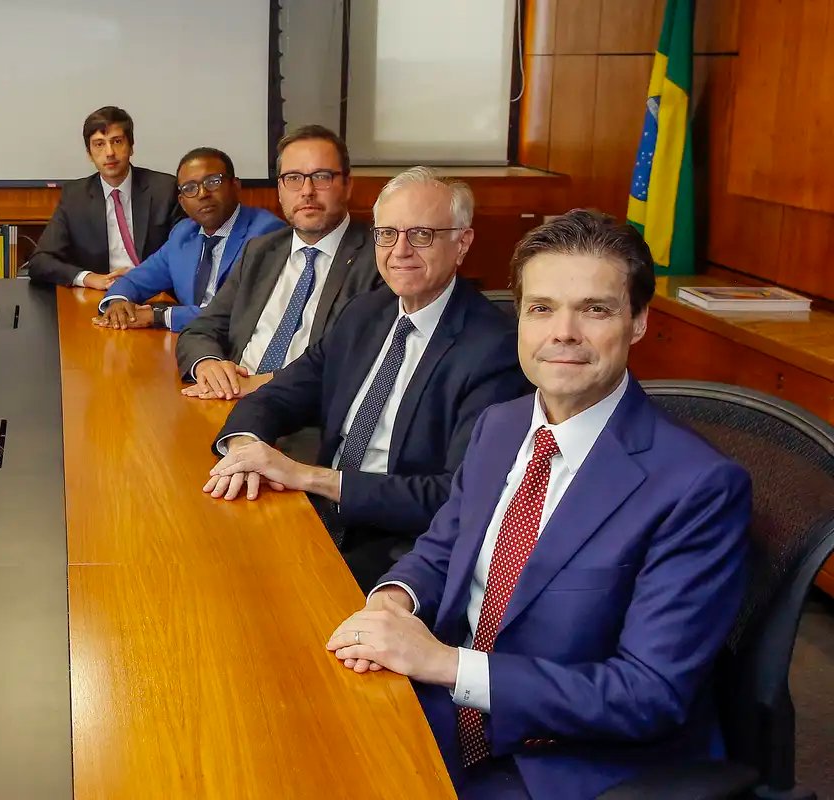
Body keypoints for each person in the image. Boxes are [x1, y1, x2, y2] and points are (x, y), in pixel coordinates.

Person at [325, 210, 750, 799]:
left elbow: (648, 693)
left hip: (566, 762)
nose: (564, 332)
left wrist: (447, 665)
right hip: (445, 711)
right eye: (542, 308)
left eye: (595, 309)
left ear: (638, 323)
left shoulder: (698, 488)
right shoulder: (500, 426)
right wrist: (395, 602)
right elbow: (444, 545)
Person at [204, 168, 532, 588]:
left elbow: (454, 495)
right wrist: (246, 450)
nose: (400, 251)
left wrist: (308, 477)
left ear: (462, 243)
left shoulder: (495, 349)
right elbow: (280, 394)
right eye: (386, 234)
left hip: (402, 550)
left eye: (422, 235)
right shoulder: (367, 312)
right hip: (316, 516)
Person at [176, 125, 379, 401]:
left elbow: (355, 365)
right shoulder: (261, 251)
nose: (307, 191)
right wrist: (209, 364)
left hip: (302, 419)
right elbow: (201, 328)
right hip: (227, 401)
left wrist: (263, 385)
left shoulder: (379, 259)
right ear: (280, 190)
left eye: (321, 177)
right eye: (293, 178)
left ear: (347, 185)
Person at [92, 147, 285, 331]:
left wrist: (160, 316)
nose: (202, 194)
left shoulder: (267, 233)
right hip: (193, 341)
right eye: (190, 188)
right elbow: (135, 280)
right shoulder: (183, 234)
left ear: (235, 186)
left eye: (213, 182)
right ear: (182, 202)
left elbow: (239, 313)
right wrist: (118, 302)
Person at [27, 106, 184, 289]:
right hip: (99, 294)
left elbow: (184, 254)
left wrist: (143, 277)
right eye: (99, 144)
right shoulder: (75, 197)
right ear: (89, 154)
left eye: (117, 141)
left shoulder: (164, 190)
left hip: (154, 291)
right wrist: (89, 278)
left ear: (131, 146)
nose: (109, 153)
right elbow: (40, 261)